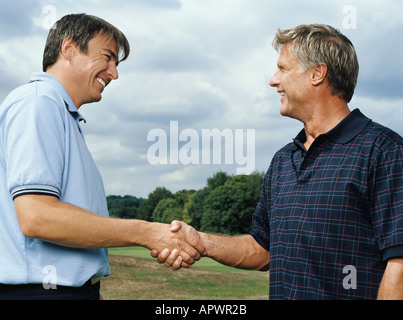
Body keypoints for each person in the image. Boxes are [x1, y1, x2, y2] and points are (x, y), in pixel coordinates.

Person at [153, 24, 403, 300]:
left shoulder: (385, 151)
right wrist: (204, 242)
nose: (274, 80)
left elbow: (399, 264)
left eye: (283, 69)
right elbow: (263, 250)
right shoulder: (284, 160)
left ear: (317, 74)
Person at [0, 13, 204, 300]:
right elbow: (38, 217)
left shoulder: (59, 112)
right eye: (107, 57)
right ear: (68, 49)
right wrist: (145, 232)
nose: (114, 73)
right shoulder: (39, 102)